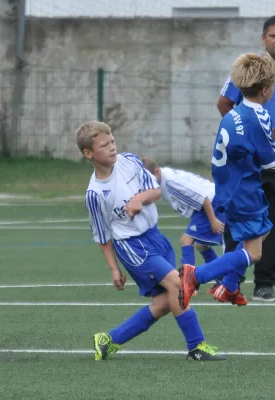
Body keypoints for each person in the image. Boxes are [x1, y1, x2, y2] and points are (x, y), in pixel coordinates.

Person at [77, 121, 225, 361]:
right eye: (104, 145)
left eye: (112, 141)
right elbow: (102, 236)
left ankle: (110, 340)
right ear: (89, 153)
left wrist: (139, 199)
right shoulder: (95, 194)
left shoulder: (130, 161)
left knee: (165, 302)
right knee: (178, 286)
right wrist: (114, 269)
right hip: (132, 247)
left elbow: (156, 190)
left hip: (155, 236)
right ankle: (196, 347)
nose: (112, 147)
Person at [178, 53, 275, 308]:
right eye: (273, 85)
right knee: (254, 252)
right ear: (265, 89)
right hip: (245, 190)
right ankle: (197, 276)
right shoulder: (259, 116)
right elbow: (269, 161)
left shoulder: (235, 113)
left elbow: (249, 143)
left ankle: (228, 287)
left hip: (230, 186)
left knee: (265, 229)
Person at [216, 14, 275, 302]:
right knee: (239, 225)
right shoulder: (248, 70)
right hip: (252, 166)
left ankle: (265, 284)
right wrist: (247, 138)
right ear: (264, 39)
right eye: (273, 35)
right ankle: (230, 280)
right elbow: (224, 103)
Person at [141, 158, 224, 271]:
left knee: (186, 240)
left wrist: (213, 220)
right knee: (201, 245)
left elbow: (203, 198)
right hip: (210, 199)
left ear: (157, 172)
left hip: (211, 201)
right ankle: (221, 279)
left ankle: (188, 284)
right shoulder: (162, 178)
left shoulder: (171, 183)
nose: (147, 185)